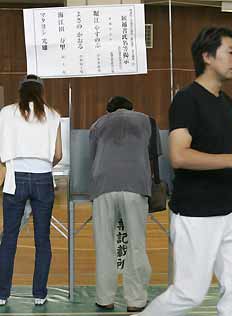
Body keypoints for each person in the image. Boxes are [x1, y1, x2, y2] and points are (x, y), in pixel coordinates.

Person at [133, 27, 232, 316]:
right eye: (231, 52)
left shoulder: (226, 102)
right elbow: (179, 156)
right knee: (189, 294)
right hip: (196, 211)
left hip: (228, 207)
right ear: (207, 56)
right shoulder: (186, 99)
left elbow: (226, 148)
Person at [0, 74, 62, 306]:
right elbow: (58, 154)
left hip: (15, 177)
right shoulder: (53, 115)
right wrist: (44, 166)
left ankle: (2, 293)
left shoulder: (6, 112)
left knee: (9, 237)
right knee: (42, 239)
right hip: (43, 178)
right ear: (41, 92)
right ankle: (39, 294)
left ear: (20, 92)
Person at [89, 96, 152, 312]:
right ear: (132, 108)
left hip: (102, 186)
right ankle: (135, 300)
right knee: (135, 244)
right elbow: (154, 155)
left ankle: (104, 298)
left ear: (108, 111)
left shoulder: (97, 124)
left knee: (104, 244)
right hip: (135, 185)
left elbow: (92, 157)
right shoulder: (145, 120)